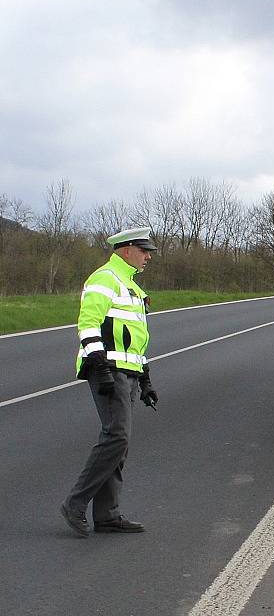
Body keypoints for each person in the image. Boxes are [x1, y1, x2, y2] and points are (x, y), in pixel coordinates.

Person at [60, 227, 159, 537]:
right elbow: (88, 324)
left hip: (127, 371)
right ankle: (75, 504)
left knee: (121, 441)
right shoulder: (105, 279)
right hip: (108, 369)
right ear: (126, 249)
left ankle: (107, 515)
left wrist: (145, 379)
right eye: (144, 251)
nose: (148, 257)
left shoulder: (131, 287)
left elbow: (136, 340)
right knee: (116, 436)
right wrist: (98, 366)